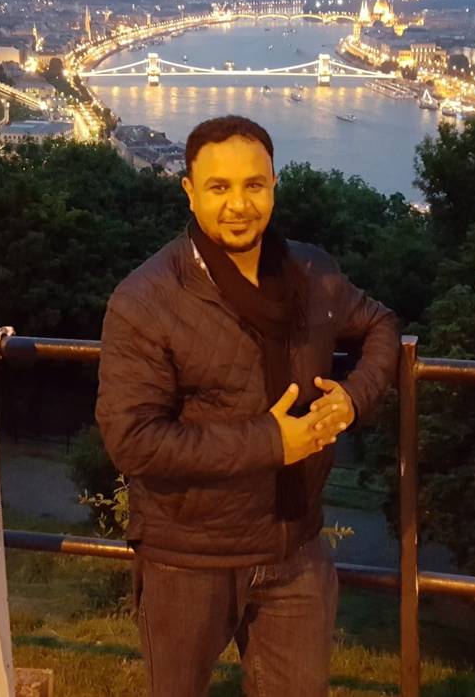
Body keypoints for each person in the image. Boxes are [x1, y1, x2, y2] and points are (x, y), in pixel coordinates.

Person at [96, 115, 399, 697]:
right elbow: (133, 441)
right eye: (219, 187)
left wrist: (353, 399)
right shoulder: (145, 300)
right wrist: (272, 442)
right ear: (189, 191)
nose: (239, 204)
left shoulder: (312, 273)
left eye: (254, 185)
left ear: (273, 186)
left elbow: (380, 323)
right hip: (187, 555)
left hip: (296, 546)